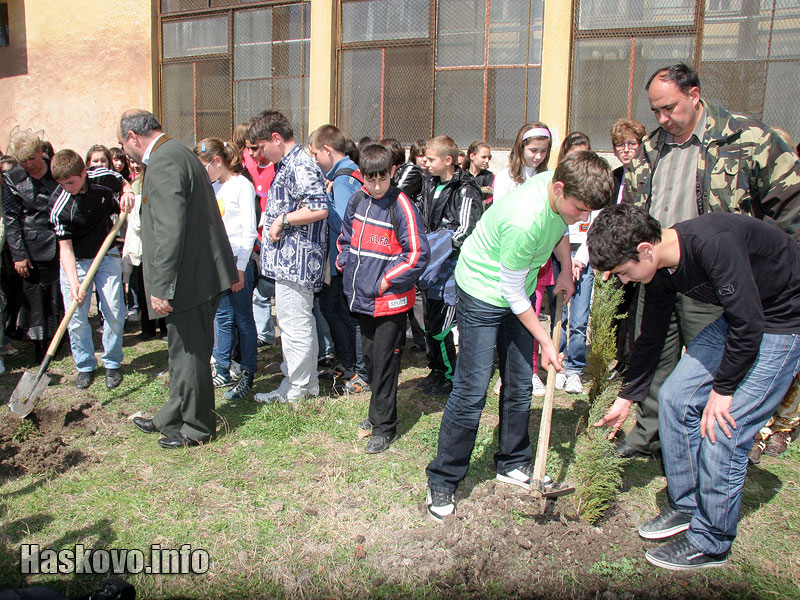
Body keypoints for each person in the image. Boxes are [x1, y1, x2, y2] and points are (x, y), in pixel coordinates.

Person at [590, 203, 800, 570]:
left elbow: (749, 324)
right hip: (742, 317)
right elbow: (651, 334)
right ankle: (688, 505)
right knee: (675, 398)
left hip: (781, 320)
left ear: (644, 249)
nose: (624, 281)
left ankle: (712, 541)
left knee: (724, 429)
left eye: (624, 272)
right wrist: (628, 396)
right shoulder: (660, 269)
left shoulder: (713, 244)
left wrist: (723, 389)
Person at [616, 62, 800, 460]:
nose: (663, 118)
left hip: (716, 276)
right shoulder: (650, 148)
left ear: (694, 95)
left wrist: (772, 276)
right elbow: (632, 208)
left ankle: (706, 442)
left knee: (709, 365)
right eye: (656, 111)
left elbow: (788, 209)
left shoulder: (748, 138)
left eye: (670, 108)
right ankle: (650, 434)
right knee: (655, 353)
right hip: (659, 270)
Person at [425, 151, 613, 521]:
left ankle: (511, 460)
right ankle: (443, 478)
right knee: (472, 389)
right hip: (483, 290)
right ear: (559, 189)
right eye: (580, 208)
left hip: (517, 288)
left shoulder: (556, 190)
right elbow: (510, 293)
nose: (584, 218)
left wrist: (564, 270)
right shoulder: (524, 219)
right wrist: (544, 339)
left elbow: (559, 228)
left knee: (519, 382)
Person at [118, 109, 238, 449]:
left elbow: (171, 228)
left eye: (123, 144)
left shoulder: (165, 161)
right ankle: (171, 416)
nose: (125, 151)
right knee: (181, 349)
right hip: (199, 271)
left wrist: (161, 286)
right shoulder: (176, 152)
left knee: (190, 352)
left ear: (132, 138)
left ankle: (198, 427)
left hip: (189, 277)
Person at [336, 144, 429, 453]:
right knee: (372, 362)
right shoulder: (357, 200)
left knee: (387, 362)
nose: (375, 186)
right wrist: (344, 263)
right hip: (361, 298)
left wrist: (385, 281)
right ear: (362, 176)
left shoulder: (401, 206)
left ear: (392, 173)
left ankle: (384, 426)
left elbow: (416, 254)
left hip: (389, 301)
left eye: (381, 179)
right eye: (369, 179)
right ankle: (378, 411)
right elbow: (345, 238)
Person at [247, 111, 329, 404]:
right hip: (288, 262)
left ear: (276, 138)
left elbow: (319, 207)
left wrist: (282, 219)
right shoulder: (289, 164)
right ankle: (299, 384)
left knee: (295, 326)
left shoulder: (300, 164)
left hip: (298, 262)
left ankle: (298, 388)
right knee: (295, 325)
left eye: (259, 147)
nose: (256, 154)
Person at [49, 150, 134, 389]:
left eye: (71, 182)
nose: (67, 187)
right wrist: (75, 283)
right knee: (76, 317)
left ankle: (112, 363)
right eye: (61, 184)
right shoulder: (59, 207)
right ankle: (85, 365)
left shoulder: (103, 178)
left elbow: (123, 182)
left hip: (106, 254)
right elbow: (65, 249)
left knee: (115, 310)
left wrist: (127, 192)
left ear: (83, 173)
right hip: (76, 260)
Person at [491, 122, 557, 397]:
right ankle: (505, 371)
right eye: (533, 150)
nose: (537, 156)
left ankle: (529, 372)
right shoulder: (506, 179)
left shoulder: (551, 178)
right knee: (505, 317)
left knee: (531, 315)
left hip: (539, 264)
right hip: (510, 258)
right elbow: (499, 216)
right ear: (520, 148)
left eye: (543, 151)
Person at [417, 135, 483, 396]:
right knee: (430, 323)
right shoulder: (430, 183)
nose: (426, 163)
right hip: (431, 267)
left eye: (431, 159)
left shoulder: (466, 189)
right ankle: (436, 369)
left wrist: (439, 244)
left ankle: (449, 375)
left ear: (447, 160)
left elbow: (466, 230)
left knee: (441, 326)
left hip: (452, 269)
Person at [194, 137, 258, 401]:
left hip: (237, 263)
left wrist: (240, 268)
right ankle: (221, 366)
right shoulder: (213, 187)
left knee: (243, 319)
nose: (203, 173)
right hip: (218, 264)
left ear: (218, 161)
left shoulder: (242, 185)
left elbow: (249, 229)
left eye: (204, 167)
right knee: (222, 316)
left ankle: (248, 372)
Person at [308, 124, 369, 394]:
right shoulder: (345, 174)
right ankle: (346, 362)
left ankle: (358, 368)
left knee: (347, 315)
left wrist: (322, 204)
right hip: (338, 262)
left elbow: (346, 223)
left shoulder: (344, 179)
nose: (314, 160)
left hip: (344, 261)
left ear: (327, 150)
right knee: (332, 309)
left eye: (315, 154)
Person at [1, 132, 64, 363]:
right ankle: (41, 347)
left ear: (41, 152)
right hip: (32, 245)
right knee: (37, 298)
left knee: (59, 293)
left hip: (62, 241)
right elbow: (11, 218)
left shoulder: (57, 169)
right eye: (23, 161)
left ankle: (61, 340)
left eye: (32, 159)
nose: (28, 165)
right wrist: (18, 254)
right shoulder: (12, 179)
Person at [551, 132, 597, 395]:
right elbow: (559, 229)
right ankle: (557, 363)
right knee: (561, 314)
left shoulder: (595, 184)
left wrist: (580, 259)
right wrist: (567, 261)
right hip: (559, 253)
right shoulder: (560, 186)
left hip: (584, 256)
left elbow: (596, 225)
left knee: (579, 318)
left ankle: (574, 369)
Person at [608, 118, 647, 378]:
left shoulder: (647, 174)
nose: (625, 149)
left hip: (640, 255)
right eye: (619, 145)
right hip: (616, 254)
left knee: (637, 312)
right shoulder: (615, 176)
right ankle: (620, 359)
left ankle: (635, 361)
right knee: (617, 309)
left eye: (631, 143)